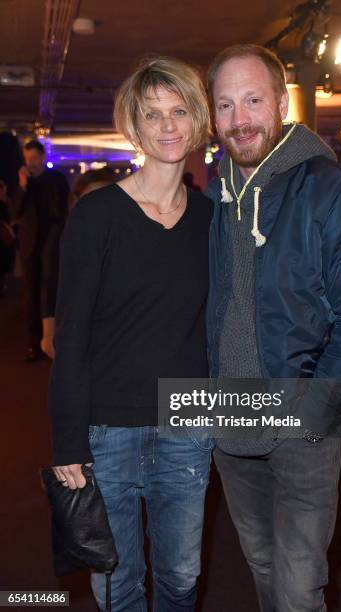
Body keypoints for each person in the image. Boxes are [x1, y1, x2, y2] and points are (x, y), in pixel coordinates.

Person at [205, 44, 341, 612]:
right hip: (231, 418)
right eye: (226, 104)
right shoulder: (215, 198)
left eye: (254, 100)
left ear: (282, 103)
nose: (240, 119)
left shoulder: (339, 195)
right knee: (261, 564)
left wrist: (317, 416)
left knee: (296, 585)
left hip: (303, 421)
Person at [48, 56, 213, 612]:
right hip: (108, 429)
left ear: (196, 121)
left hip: (188, 426)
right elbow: (70, 337)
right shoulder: (97, 217)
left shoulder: (213, 221)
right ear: (133, 126)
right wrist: (67, 441)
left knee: (182, 578)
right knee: (116, 583)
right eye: (152, 114)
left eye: (179, 111)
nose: (168, 126)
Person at [15, 140, 69, 361]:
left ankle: (51, 339)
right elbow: (15, 211)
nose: (31, 163)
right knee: (31, 294)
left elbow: (63, 207)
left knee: (50, 288)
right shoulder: (23, 183)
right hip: (30, 245)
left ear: (43, 157)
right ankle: (33, 343)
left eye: (35, 158)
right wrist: (22, 186)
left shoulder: (55, 179)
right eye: (28, 159)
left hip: (52, 241)